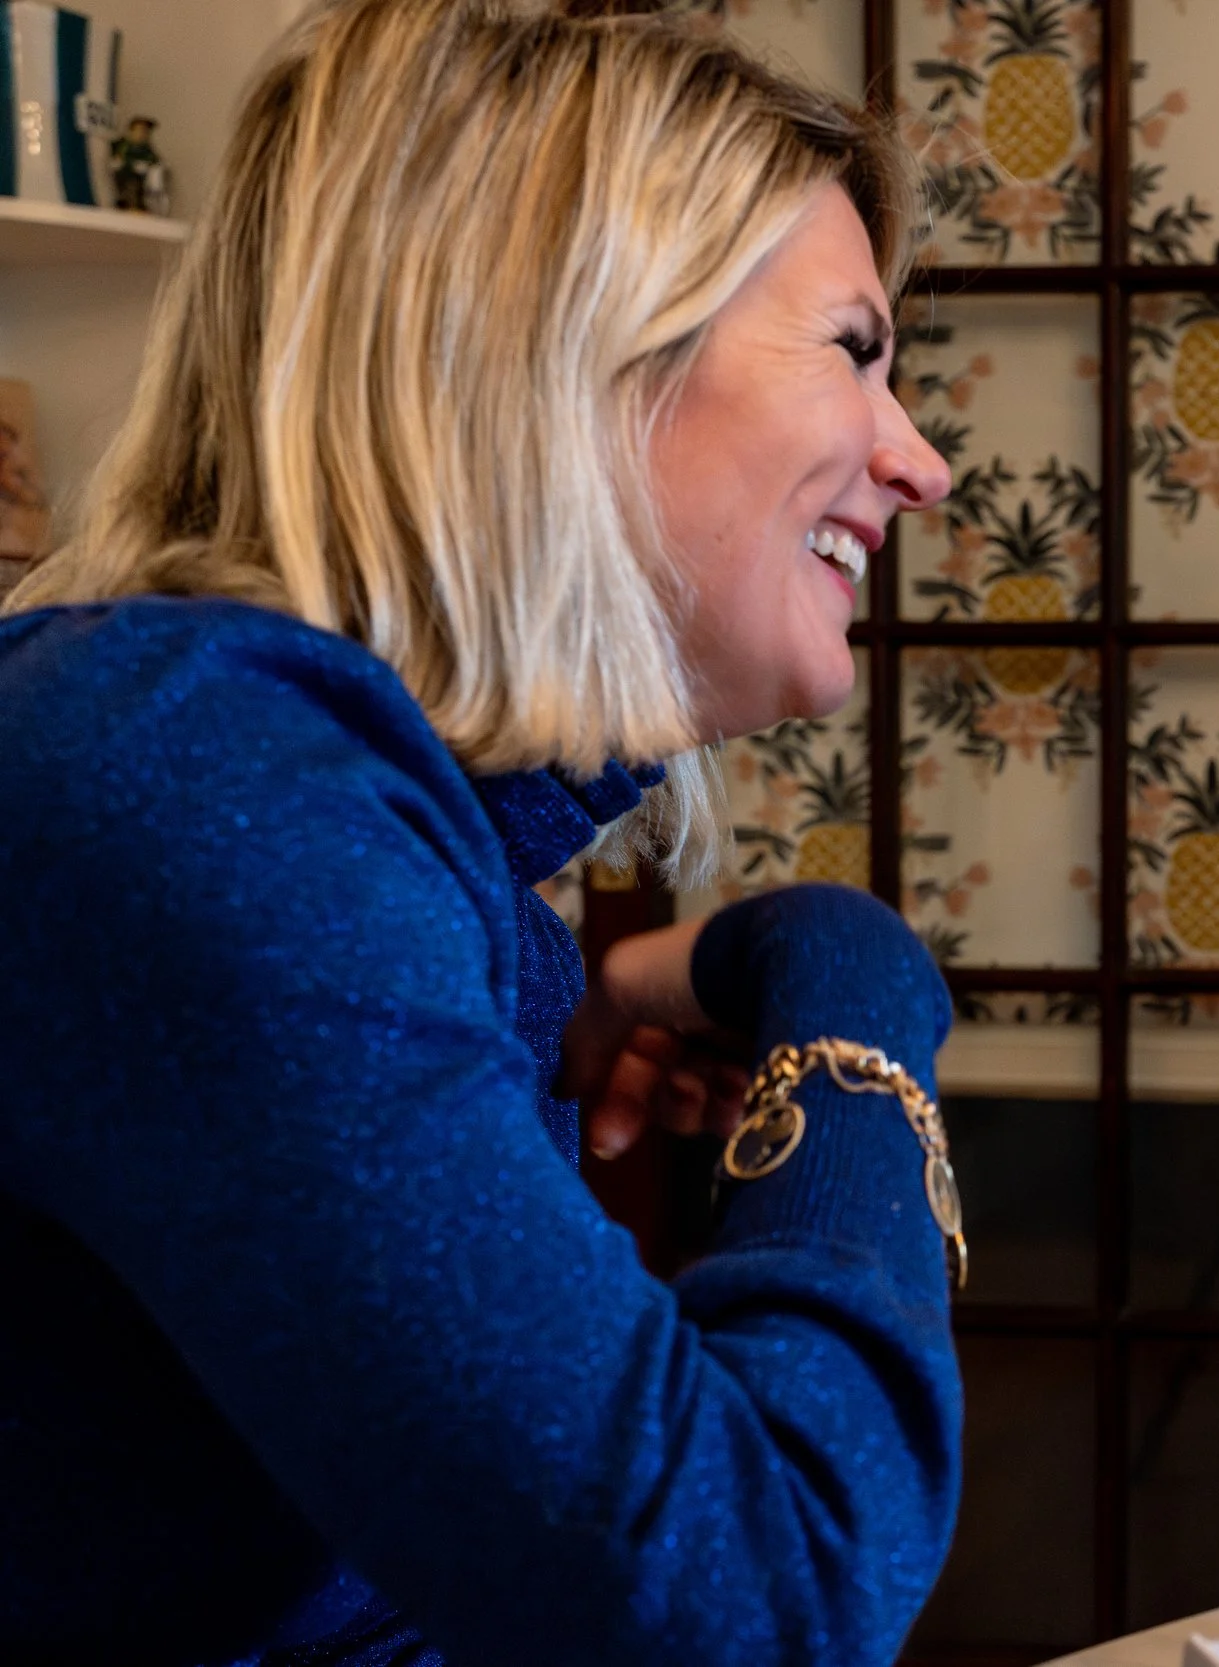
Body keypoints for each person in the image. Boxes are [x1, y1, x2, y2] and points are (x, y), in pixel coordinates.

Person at [0, 3, 956, 1664]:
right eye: (853, 350)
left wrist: (539, 988)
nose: (919, 462)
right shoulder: (196, 780)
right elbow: (765, 1596)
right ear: (567, 346)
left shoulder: (357, 828)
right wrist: (850, 979)